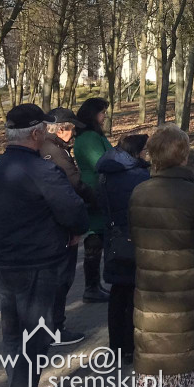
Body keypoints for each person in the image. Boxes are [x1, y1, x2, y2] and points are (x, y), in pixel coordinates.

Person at [0, 104, 89, 387]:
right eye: (44, 128)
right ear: (35, 132)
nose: (47, 132)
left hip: (2, 262)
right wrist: (76, 229)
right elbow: (73, 210)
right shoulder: (42, 170)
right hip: (37, 264)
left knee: (13, 334)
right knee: (36, 336)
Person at [129, 124, 194, 387]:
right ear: (183, 155)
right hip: (191, 297)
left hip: (151, 295)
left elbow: (136, 238)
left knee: (158, 365)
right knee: (192, 366)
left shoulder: (138, 193)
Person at [42, 106, 94, 347]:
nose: (74, 135)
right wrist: (96, 200)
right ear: (61, 128)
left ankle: (52, 326)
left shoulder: (52, 148)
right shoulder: (55, 152)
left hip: (53, 226)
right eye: (72, 129)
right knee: (60, 280)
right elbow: (73, 185)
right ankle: (54, 329)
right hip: (60, 227)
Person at [98, 133, 150, 363]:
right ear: (137, 152)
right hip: (135, 238)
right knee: (134, 294)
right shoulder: (138, 176)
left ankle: (117, 346)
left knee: (118, 293)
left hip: (114, 239)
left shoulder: (105, 173)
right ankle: (132, 345)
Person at [73, 97, 113, 303]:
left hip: (98, 187)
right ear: (92, 114)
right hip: (94, 189)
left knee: (98, 236)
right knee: (95, 238)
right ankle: (91, 286)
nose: (104, 115)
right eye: (101, 112)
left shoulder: (92, 135)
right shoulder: (88, 138)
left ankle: (95, 285)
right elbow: (101, 161)